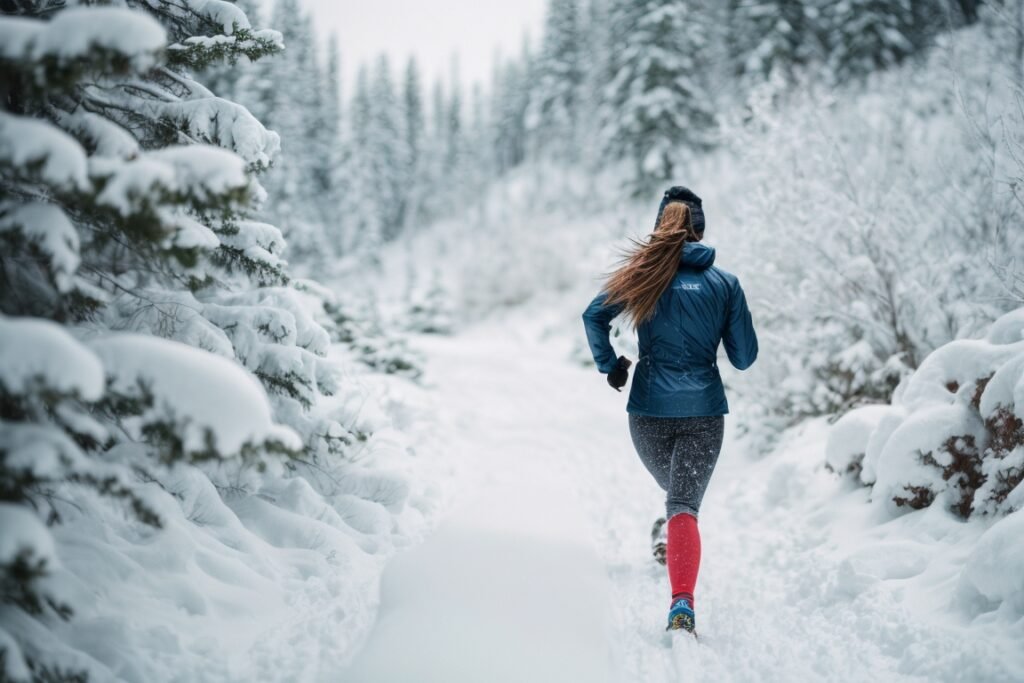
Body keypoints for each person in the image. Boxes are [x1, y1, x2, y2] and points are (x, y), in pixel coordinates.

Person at [581, 186, 758, 634]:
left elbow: (593, 316)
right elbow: (744, 358)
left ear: (661, 227)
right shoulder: (725, 284)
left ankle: (669, 533)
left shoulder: (643, 275)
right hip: (704, 412)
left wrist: (611, 364)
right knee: (684, 504)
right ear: (701, 230)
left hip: (648, 413)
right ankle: (682, 604)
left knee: (677, 498)